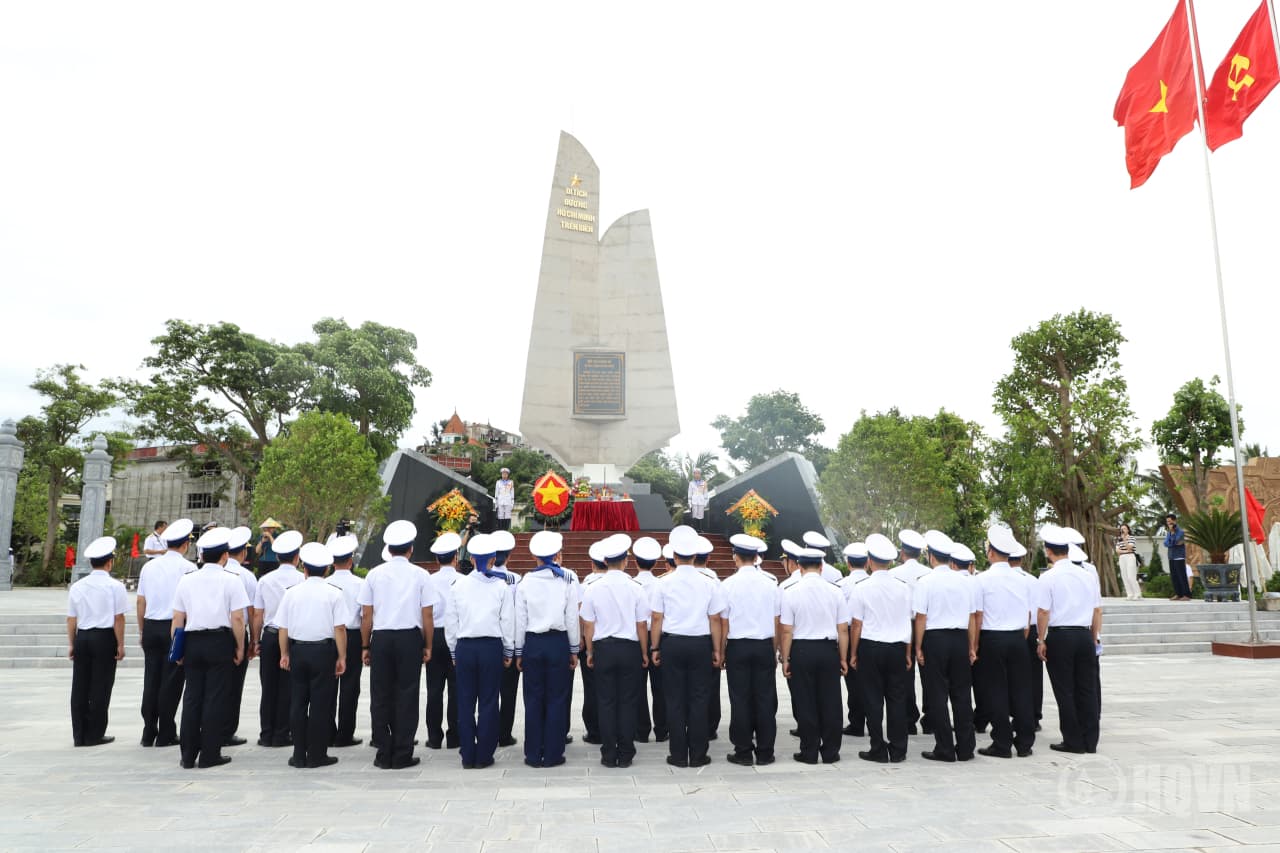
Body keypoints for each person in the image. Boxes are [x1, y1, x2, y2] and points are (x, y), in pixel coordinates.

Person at [359, 519, 439, 770]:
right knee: (407, 694)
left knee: (380, 695)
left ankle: (383, 752)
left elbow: (366, 616)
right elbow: (427, 615)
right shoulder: (421, 575)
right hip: (409, 639)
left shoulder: (374, 574)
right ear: (411, 549)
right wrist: (428, 645)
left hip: (381, 638)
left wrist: (365, 646)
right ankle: (403, 752)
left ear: (388, 549)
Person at [170, 527, 248, 769]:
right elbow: (238, 619)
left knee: (192, 697)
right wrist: (239, 647)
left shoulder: (186, 579)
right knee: (215, 698)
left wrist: (177, 649)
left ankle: (188, 754)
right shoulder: (232, 581)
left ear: (202, 556)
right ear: (225, 556)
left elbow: (177, 619)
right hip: (219, 641)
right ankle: (210, 754)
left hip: (193, 642)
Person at [650, 528, 726, 768]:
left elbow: (656, 618)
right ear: (695, 555)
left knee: (674, 699)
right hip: (700, 643)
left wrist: (655, 648)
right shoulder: (709, 583)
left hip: (672, 643)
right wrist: (717, 650)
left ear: (673, 555)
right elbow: (715, 619)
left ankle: (679, 754)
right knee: (699, 698)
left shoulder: (663, 583)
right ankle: (698, 754)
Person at [445, 533, 515, 769]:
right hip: (491, 647)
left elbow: (451, 622)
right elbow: (507, 621)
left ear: (472, 559)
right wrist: (508, 650)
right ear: (493, 559)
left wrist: (454, 652)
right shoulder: (501, 586)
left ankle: (467, 754)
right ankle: (484, 754)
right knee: (488, 701)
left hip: (465, 647)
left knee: (465, 702)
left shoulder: (458, 585)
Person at [580, 534, 650, 768]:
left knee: (606, 701)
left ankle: (609, 753)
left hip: (604, 649)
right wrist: (643, 652)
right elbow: (642, 624)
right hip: (630, 648)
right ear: (625, 561)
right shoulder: (636, 588)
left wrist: (590, 652)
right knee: (628, 701)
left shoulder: (592, 588)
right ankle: (626, 752)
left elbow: (588, 624)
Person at [276, 541, 347, 769]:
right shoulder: (334, 593)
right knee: (320, 704)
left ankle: (298, 754)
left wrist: (284, 653)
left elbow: (283, 628)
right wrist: (342, 657)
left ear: (304, 568)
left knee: (297, 702)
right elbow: (340, 629)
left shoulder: (291, 593)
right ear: (327, 569)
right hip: (323, 651)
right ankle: (317, 754)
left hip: (298, 649)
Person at [514, 530, 579, 768]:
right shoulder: (566, 582)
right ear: (557, 555)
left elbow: (520, 620)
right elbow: (571, 618)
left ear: (535, 557)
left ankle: (533, 753)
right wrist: (574, 649)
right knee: (557, 699)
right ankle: (553, 753)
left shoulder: (524, 583)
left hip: (533, 642)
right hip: (558, 642)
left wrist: (519, 651)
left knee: (533, 699)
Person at [913, 530, 979, 762]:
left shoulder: (925, 582)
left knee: (938, 695)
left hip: (935, 640)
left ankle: (945, 747)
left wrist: (918, 647)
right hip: (960, 638)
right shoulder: (965, 582)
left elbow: (921, 618)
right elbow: (972, 617)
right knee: (962, 694)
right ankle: (966, 747)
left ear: (931, 557)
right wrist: (971, 646)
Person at [1036, 525, 1102, 754]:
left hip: (1061, 636)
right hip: (1084, 635)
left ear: (1048, 551)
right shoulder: (1087, 576)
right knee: (1087, 688)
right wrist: (1093, 638)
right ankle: (1090, 739)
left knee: (1065, 690)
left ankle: (1073, 740)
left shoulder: (1048, 577)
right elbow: (1096, 611)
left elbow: (1043, 612)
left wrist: (1040, 639)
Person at [780, 545, 848, 764]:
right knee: (831, 701)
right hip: (828, 650)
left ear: (798, 566)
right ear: (821, 566)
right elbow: (843, 629)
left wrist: (785, 658)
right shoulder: (835, 591)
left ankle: (808, 751)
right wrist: (844, 658)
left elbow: (787, 630)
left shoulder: (790, 591)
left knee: (805, 701)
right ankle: (830, 751)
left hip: (801, 650)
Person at [848, 533, 913, 764]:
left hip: (870, 647)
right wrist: (907, 653)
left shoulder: (861, 587)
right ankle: (898, 749)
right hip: (896, 648)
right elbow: (907, 621)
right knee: (896, 699)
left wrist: (853, 653)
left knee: (873, 700)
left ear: (869, 561)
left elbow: (857, 624)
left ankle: (878, 747)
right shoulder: (903, 588)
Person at [975, 526, 1036, 759]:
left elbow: (978, 616)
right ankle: (1024, 743)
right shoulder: (1023, 580)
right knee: (1022, 690)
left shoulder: (981, 579)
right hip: (1017, 638)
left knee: (996, 691)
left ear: (990, 552)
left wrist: (974, 644)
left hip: (992, 638)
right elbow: (1028, 615)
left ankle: (1001, 743)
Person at [135, 517, 196, 748]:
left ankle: (148, 730)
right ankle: (167, 731)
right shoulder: (188, 568)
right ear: (185, 545)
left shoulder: (148, 567)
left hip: (151, 625)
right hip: (175, 627)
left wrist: (142, 630)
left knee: (151, 678)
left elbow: (141, 601)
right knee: (172, 680)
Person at [719, 533, 779, 765]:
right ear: (756, 558)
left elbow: (724, 622)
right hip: (763, 645)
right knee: (765, 698)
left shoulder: (727, 585)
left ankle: (743, 751)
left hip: (738, 647)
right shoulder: (770, 583)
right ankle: (765, 752)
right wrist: (773, 650)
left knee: (740, 699)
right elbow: (776, 621)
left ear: (735, 558)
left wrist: (722, 650)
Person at [67, 536, 127, 747]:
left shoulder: (77, 586)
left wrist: (72, 643)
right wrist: (120, 644)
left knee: (80, 686)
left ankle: (79, 734)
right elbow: (118, 618)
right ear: (110, 562)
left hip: (83, 636)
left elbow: (71, 618)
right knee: (101, 686)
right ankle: (94, 733)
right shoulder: (115, 586)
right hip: (104, 637)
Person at [252, 529, 305, 748]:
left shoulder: (265, 580)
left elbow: (258, 615)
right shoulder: (302, 579)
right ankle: (283, 733)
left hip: (270, 636)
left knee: (269, 686)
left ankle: (267, 733)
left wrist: (255, 641)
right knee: (288, 688)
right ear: (297, 557)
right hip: (293, 637)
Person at [889, 529, 930, 735]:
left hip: (902, 625)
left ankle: (908, 719)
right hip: (926, 627)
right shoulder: (929, 573)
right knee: (929, 675)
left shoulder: (893, 574)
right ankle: (931, 717)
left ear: (902, 552)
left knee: (904, 675)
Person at [325, 533, 365, 748]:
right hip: (354, 635)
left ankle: (328, 731)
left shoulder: (326, 583)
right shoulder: (360, 583)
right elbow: (366, 615)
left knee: (329, 686)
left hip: (331, 636)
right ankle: (345, 734)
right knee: (350, 686)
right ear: (351, 561)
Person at [425, 532, 462, 750]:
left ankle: (434, 737)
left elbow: (425, 613)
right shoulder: (464, 580)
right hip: (457, 636)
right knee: (456, 689)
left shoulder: (428, 580)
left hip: (435, 635)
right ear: (456, 557)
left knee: (434, 689)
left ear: (437, 559)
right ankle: (455, 736)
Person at [223, 526, 258, 747]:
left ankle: (207, 728)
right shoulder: (246, 576)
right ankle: (227, 731)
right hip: (237, 634)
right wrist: (253, 640)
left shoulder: (214, 573)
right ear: (244, 553)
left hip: (212, 634)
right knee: (234, 686)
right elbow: (252, 613)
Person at [631, 536, 666, 743]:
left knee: (638, 688)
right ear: (655, 563)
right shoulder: (661, 584)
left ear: (635, 562)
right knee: (660, 688)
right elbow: (658, 615)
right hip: (658, 639)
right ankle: (662, 730)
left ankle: (641, 731)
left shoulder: (631, 584)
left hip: (636, 640)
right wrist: (654, 647)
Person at [1008, 542, 1043, 733]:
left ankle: (1014, 714)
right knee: (1033, 676)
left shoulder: (1003, 579)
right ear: (1021, 559)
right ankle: (1034, 716)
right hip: (1032, 631)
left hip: (1011, 631)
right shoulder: (1032, 580)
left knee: (1012, 677)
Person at [491, 529, 521, 747]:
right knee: (508, 692)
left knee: (487, 692)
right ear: (509, 555)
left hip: (487, 641)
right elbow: (517, 616)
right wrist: (515, 648)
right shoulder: (516, 580)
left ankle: (488, 731)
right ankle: (504, 733)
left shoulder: (482, 577)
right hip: (507, 640)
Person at [692, 536, 724, 740]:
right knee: (708, 689)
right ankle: (709, 727)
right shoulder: (714, 580)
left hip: (679, 640)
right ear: (708, 558)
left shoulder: (672, 579)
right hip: (705, 641)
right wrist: (718, 648)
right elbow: (717, 618)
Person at [577, 540, 608, 745]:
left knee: (591, 688)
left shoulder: (584, 586)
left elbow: (581, 618)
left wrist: (582, 643)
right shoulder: (627, 583)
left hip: (590, 642)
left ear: (592, 564)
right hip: (614, 644)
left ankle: (594, 731)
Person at [837, 542, 870, 737]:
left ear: (848, 564)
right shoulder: (873, 582)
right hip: (870, 635)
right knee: (869, 681)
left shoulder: (841, 585)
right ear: (867, 563)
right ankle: (868, 718)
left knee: (853, 682)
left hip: (848, 634)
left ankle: (856, 722)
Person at [1164, 514, 1191, 601]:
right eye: (1167, 522)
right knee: (1174, 576)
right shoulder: (1169, 532)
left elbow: (1176, 541)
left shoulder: (1180, 532)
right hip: (1171, 557)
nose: (1168, 524)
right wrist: (1171, 539)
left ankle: (1186, 594)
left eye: (1170, 522)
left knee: (1181, 576)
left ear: (1174, 521)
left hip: (1179, 557)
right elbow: (1166, 543)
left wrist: (1172, 540)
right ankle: (1178, 594)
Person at [1116, 523, 1141, 601]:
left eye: (1124, 528)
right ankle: (1129, 594)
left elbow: (1130, 547)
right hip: (1122, 558)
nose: (1122, 530)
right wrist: (1125, 551)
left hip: (1130, 557)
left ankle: (1137, 594)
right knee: (1124, 577)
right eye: (1121, 529)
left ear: (1128, 530)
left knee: (1131, 576)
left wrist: (1124, 540)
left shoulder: (1132, 538)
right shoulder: (1119, 539)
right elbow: (1117, 550)